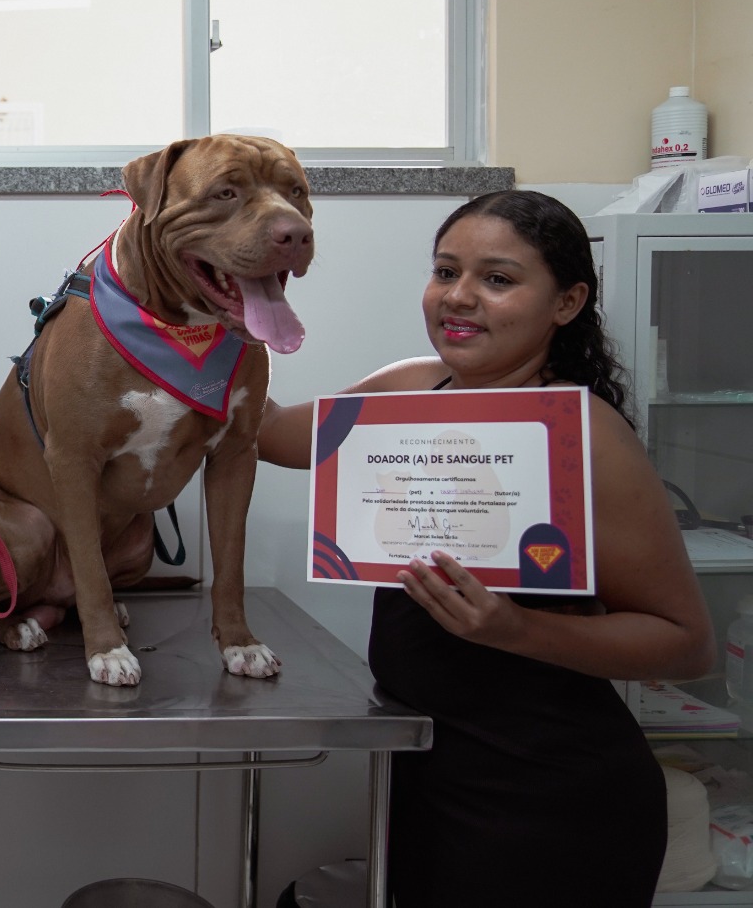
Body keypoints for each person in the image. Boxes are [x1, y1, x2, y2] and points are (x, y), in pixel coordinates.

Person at [257, 190, 714, 907]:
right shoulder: (410, 389)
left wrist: (515, 628)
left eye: (497, 280)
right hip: (426, 781)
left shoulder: (587, 436)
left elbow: (686, 646)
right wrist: (210, 313)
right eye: (445, 272)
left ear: (565, 303)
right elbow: (270, 434)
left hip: (551, 806)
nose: (458, 298)